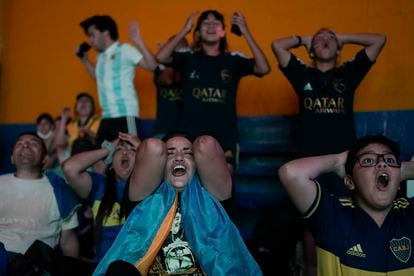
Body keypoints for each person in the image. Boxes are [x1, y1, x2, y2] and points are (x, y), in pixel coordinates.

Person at [93, 133, 262, 275]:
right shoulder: (145, 199)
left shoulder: (212, 198)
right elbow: (152, 147)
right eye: (170, 153)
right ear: (159, 163)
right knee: (119, 270)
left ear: (198, 163)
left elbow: (206, 145)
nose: (179, 157)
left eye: (188, 153)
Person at [278, 134, 414, 275]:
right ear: (350, 181)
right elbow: (291, 173)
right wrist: (339, 161)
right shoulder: (333, 216)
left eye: (390, 160)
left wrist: (401, 171)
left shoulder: (409, 213)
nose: (382, 164)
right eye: (368, 160)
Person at [156, 10, 270, 171]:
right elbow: (160, 58)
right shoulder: (188, 58)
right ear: (197, 31)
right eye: (205, 23)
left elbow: (263, 68)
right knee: (189, 187)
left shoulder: (233, 60)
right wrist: (184, 30)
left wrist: (245, 32)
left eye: (216, 23)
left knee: (225, 187)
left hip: (224, 138)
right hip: (191, 136)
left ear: (223, 31)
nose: (210, 26)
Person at [0, 132, 81, 273]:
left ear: (45, 159)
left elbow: (68, 240)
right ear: (12, 158)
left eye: (33, 143)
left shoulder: (60, 190)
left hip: (38, 267)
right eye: (19, 143)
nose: (25, 145)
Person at [78, 15, 157, 145]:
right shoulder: (101, 57)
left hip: (125, 116)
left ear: (106, 32)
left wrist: (138, 41)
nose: (90, 41)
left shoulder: (124, 50)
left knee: (128, 160)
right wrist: (84, 59)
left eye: (92, 35)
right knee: (102, 162)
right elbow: (98, 77)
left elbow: (152, 66)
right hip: (106, 117)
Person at [63, 132, 140, 264]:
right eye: (119, 150)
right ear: (111, 161)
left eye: (132, 150)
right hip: (103, 268)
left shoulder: (151, 187)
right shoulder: (99, 186)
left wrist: (141, 146)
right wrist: (108, 149)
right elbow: (70, 168)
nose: (125, 153)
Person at [152, 37, 189, 138]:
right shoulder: (160, 68)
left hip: (186, 130)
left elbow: (178, 79)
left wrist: (178, 58)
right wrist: (169, 60)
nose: (177, 48)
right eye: (174, 45)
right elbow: (168, 80)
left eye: (180, 46)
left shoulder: (191, 67)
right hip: (163, 129)